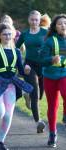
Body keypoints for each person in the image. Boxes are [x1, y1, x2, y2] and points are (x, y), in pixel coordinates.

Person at [16, 10, 47, 133]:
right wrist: (22, 62)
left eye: (36, 20)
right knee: (35, 93)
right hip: (29, 65)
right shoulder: (25, 34)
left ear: (40, 21)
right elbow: (16, 49)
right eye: (32, 19)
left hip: (44, 66)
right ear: (29, 20)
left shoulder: (46, 33)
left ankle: (27, 95)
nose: (34, 22)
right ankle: (38, 122)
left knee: (40, 96)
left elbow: (53, 46)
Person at [39, 14, 66, 148]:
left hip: (64, 74)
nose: (63, 25)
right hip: (50, 76)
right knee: (52, 106)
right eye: (60, 23)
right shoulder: (50, 41)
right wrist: (51, 59)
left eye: (65, 23)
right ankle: (52, 133)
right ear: (55, 27)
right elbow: (41, 60)